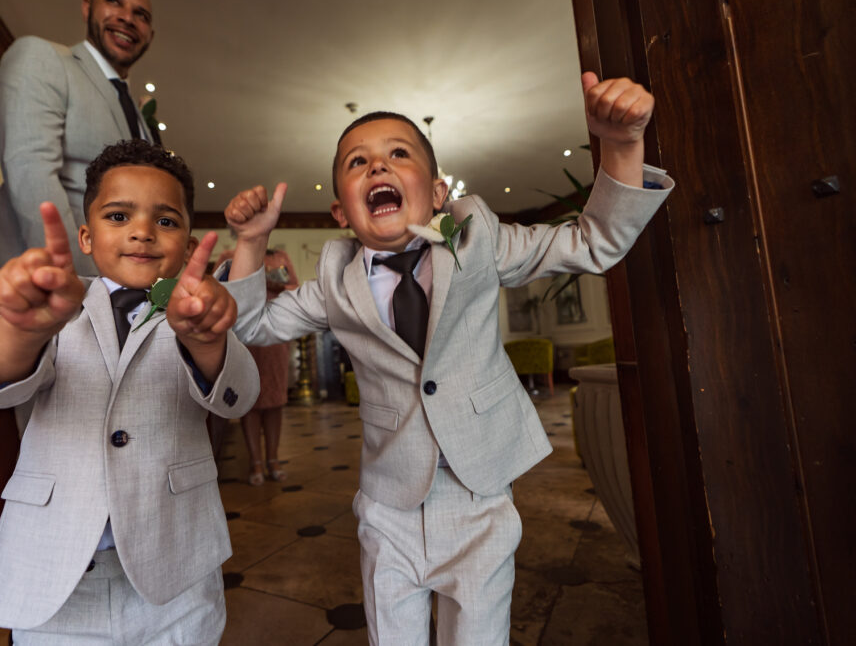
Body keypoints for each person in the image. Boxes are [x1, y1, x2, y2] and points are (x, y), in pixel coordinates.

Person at [222, 72, 674, 644]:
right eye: (357, 162)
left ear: (437, 193)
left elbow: (595, 242)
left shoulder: (479, 240)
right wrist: (250, 244)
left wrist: (623, 145)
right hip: (388, 502)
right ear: (341, 212)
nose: (377, 167)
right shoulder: (333, 282)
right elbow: (250, 324)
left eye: (398, 154)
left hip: (479, 494)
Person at [0, 140, 258, 644]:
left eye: (166, 220)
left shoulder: (197, 312)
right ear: (86, 237)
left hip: (175, 568)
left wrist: (207, 342)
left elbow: (238, 397)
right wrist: (23, 331)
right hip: (57, 572)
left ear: (187, 241)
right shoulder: (57, 303)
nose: (142, 231)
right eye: (119, 215)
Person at [0, 0, 158, 317]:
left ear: (150, 35)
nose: (128, 17)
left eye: (141, 14)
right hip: (38, 283)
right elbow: (31, 171)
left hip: (114, 295)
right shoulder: (42, 57)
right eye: (113, 2)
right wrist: (80, 287)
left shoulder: (141, 120)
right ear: (88, 9)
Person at [242, 248, 299, 485]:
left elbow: (295, 288)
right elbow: (220, 292)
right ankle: (256, 461)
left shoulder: (281, 256)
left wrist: (276, 287)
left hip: (275, 333)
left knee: (275, 399)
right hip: (244, 334)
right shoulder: (231, 257)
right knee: (250, 402)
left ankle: (273, 459)